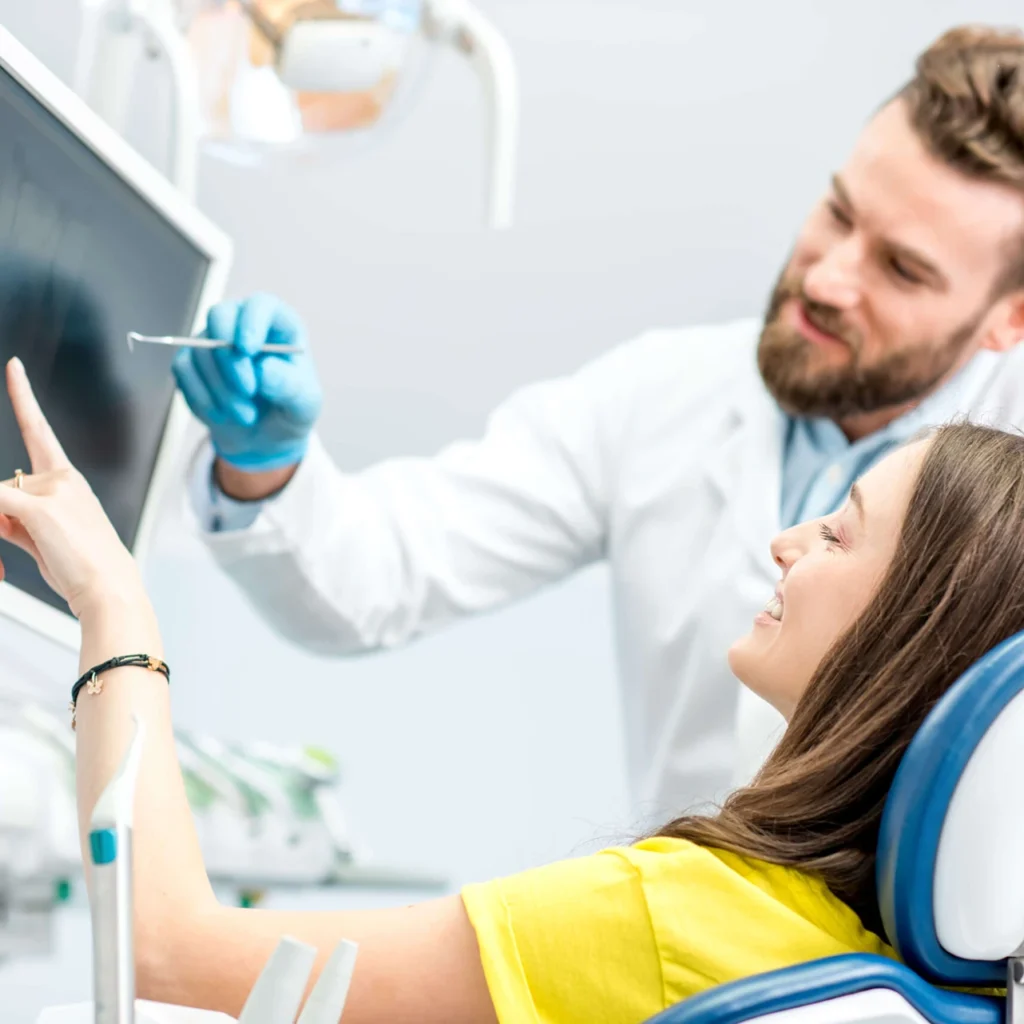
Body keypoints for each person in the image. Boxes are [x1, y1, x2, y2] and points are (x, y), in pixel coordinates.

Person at [175, 25, 1024, 821]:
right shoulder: (666, 394)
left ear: (1008, 319)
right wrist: (268, 467)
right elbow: (379, 577)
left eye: (903, 270)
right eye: (838, 214)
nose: (830, 279)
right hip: (679, 953)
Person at [2, 359, 1021, 1022]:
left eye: (836, 530)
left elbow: (164, 949)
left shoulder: (674, 913)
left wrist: (112, 597)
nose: (784, 542)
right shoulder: (948, 987)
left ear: (910, 639)